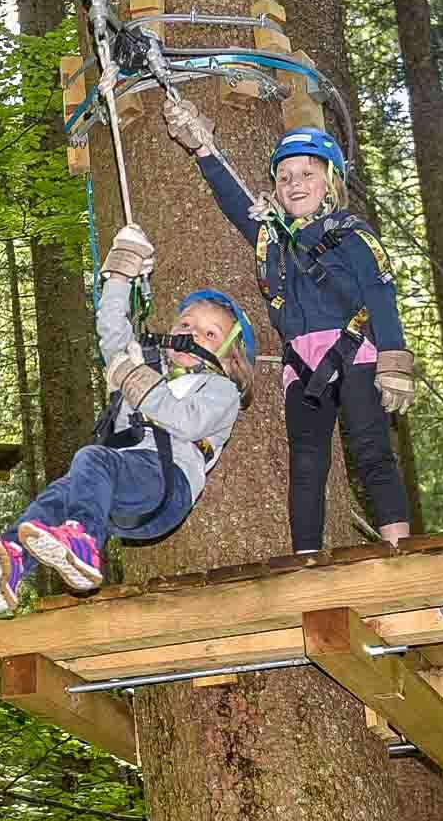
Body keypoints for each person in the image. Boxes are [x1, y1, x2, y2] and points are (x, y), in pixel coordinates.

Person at [164, 98, 415, 553]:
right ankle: (306, 559)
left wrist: (394, 358)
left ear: (330, 182)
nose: (295, 184)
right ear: (276, 189)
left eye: (307, 174)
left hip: (356, 353)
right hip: (302, 366)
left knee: (372, 452)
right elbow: (233, 199)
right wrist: (202, 147)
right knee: (306, 464)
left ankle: (400, 548)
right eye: (285, 177)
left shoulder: (352, 234)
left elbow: (381, 291)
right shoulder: (271, 236)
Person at [0, 222, 254, 614]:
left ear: (228, 354)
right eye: (185, 324)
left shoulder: (221, 390)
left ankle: (83, 540)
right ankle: (14, 558)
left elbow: (187, 422)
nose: (190, 334)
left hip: (167, 481)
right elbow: (113, 334)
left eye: (208, 333)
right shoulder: (150, 365)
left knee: (91, 458)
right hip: (127, 489)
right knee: (61, 490)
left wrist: (136, 379)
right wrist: (121, 273)